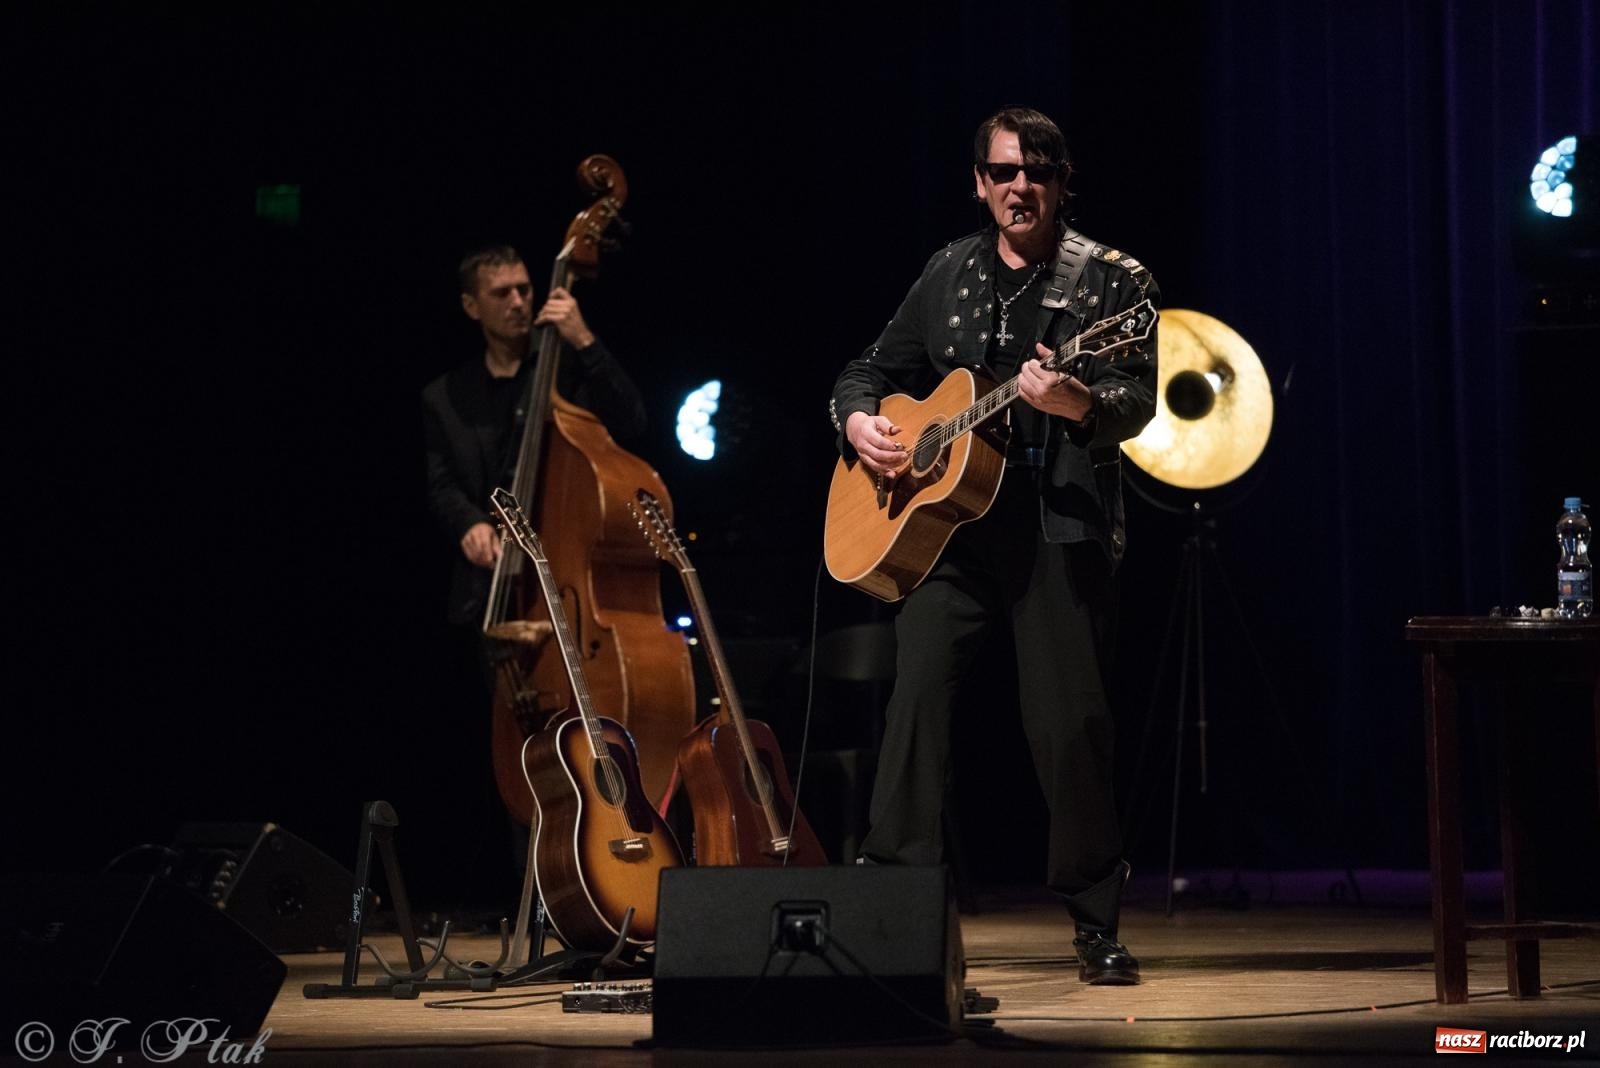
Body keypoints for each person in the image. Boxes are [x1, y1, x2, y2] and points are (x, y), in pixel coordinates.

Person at [829, 107, 1159, 985]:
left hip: (1055, 530)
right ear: (980, 183)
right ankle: (893, 906)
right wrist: (861, 422)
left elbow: (1137, 401)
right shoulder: (948, 270)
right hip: (950, 537)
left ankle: (1095, 924)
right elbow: (870, 368)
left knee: (1070, 726)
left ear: (1061, 181)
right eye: (1006, 171)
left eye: (1039, 171)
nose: (1022, 186)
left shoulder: (1112, 282)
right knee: (916, 706)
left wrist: (1078, 404)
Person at [423, 245, 647, 627]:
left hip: (567, 571)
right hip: (487, 587)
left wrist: (585, 341)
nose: (518, 302)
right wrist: (469, 523)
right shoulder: (444, 397)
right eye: (501, 293)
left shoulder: (567, 371)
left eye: (524, 290)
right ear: (471, 306)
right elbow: (441, 483)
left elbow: (633, 423)